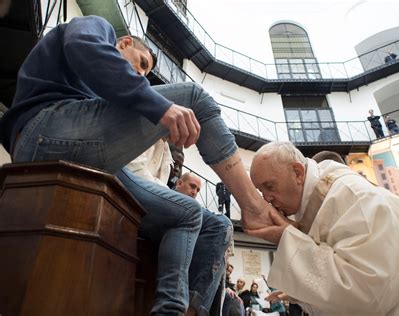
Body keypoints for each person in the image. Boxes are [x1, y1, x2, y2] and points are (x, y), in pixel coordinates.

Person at [0, 16, 273, 315]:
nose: (142, 75)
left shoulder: (108, 93)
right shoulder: (96, 27)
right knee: (194, 98)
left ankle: (173, 310)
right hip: (46, 129)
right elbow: (83, 46)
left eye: (145, 71)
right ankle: (254, 208)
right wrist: (160, 107)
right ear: (124, 43)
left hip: (89, 156)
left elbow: (111, 109)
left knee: (192, 214)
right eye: (142, 63)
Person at [248, 141, 399, 315]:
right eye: (260, 190)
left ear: (297, 173)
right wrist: (300, 292)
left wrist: (287, 238)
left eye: (270, 186)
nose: (266, 198)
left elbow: (368, 294)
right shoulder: (324, 199)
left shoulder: (353, 198)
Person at [126, 141, 233, 315]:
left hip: (160, 215)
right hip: (136, 204)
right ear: (179, 184)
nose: (195, 192)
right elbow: (135, 172)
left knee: (218, 253)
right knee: (220, 224)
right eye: (192, 186)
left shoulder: (166, 152)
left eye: (198, 189)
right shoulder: (144, 132)